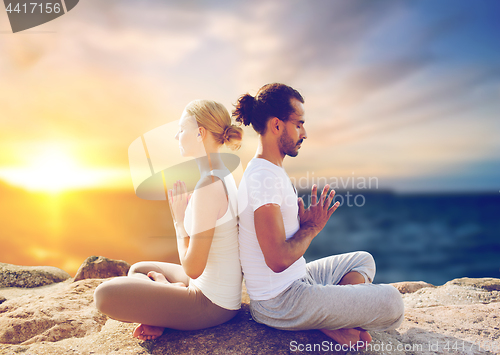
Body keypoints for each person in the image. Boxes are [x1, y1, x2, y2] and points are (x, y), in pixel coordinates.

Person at [234, 83, 404, 348]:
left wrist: (298, 226)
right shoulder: (263, 178)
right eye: (299, 124)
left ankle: (333, 319)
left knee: (363, 260)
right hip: (279, 301)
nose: (304, 133)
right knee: (393, 302)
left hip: (299, 280)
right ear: (277, 125)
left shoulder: (270, 170)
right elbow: (277, 259)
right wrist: (311, 228)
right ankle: (332, 320)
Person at [94, 100, 243, 340]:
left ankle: (165, 302)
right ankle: (166, 300)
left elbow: (193, 269)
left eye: (182, 129)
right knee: (140, 269)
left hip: (211, 304)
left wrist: (179, 222)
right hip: (212, 289)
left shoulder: (209, 185)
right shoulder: (221, 174)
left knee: (104, 295)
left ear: (199, 133)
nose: (176, 136)